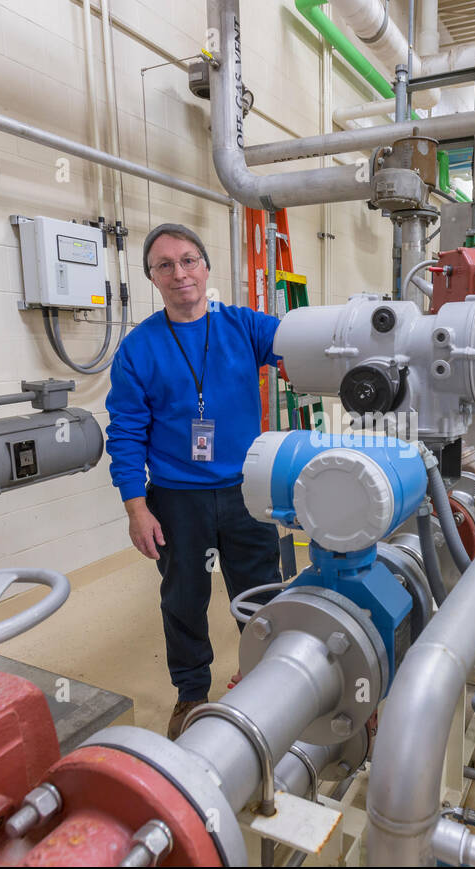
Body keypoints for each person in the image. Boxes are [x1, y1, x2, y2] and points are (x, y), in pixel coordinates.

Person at [106, 222, 282, 740]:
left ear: (206, 267)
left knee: (261, 590)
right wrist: (136, 508)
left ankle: (268, 678)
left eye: (188, 260)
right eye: (165, 265)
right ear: (152, 279)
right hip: (177, 497)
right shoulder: (139, 349)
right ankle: (190, 694)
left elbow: (297, 350)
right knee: (183, 598)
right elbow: (126, 433)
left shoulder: (243, 326)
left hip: (245, 490)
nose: (179, 273)